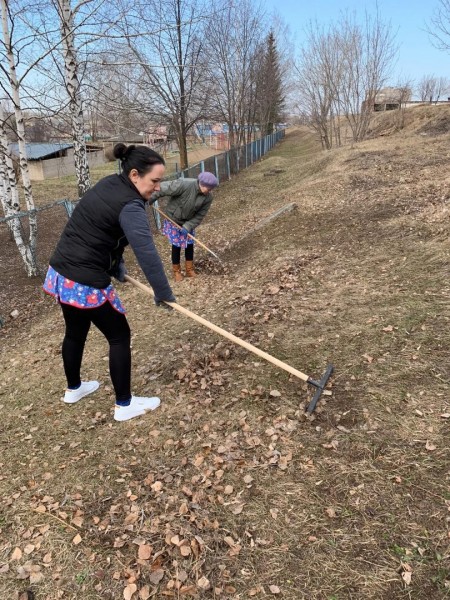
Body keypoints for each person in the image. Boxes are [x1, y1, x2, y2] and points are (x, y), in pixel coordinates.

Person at [43, 143, 176, 422]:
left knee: (75, 332)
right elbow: (147, 253)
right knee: (119, 336)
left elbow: (102, 231)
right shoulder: (131, 206)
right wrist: (163, 293)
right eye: (155, 181)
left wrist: (115, 265)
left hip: (61, 273)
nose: (158, 188)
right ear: (135, 175)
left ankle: (74, 389)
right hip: (85, 280)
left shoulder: (109, 184)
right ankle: (124, 405)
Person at [150, 171, 219, 282]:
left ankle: (189, 269)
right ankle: (176, 271)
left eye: (211, 189)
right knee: (176, 246)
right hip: (173, 219)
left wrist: (188, 226)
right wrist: (149, 199)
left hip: (188, 222)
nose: (210, 191)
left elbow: (200, 215)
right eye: (209, 188)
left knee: (189, 245)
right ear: (202, 184)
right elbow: (162, 188)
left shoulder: (208, 197)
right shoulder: (184, 184)